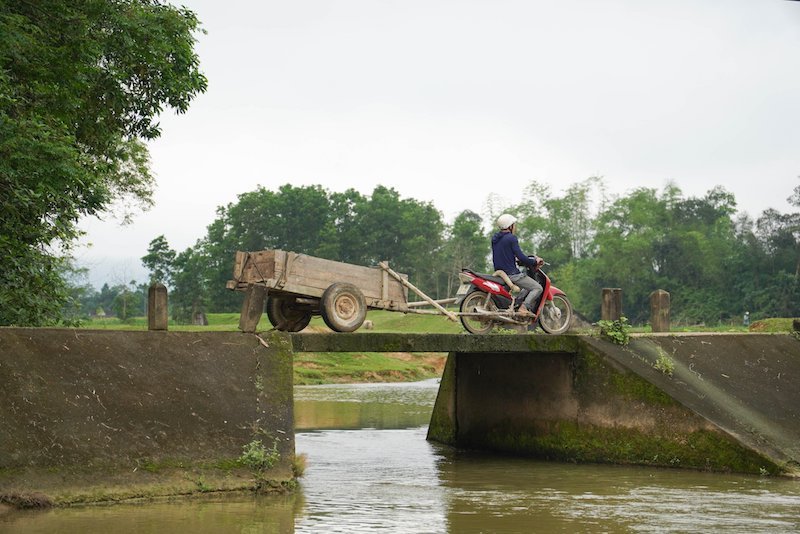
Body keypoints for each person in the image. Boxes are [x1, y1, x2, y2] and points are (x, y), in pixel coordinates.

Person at [491, 213, 543, 316]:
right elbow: (521, 257)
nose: (515, 227)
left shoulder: (495, 239)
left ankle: (516, 304)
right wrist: (535, 261)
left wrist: (515, 260)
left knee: (526, 287)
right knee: (537, 288)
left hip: (500, 273)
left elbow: (504, 255)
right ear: (510, 226)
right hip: (512, 274)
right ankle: (524, 307)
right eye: (514, 225)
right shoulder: (511, 238)